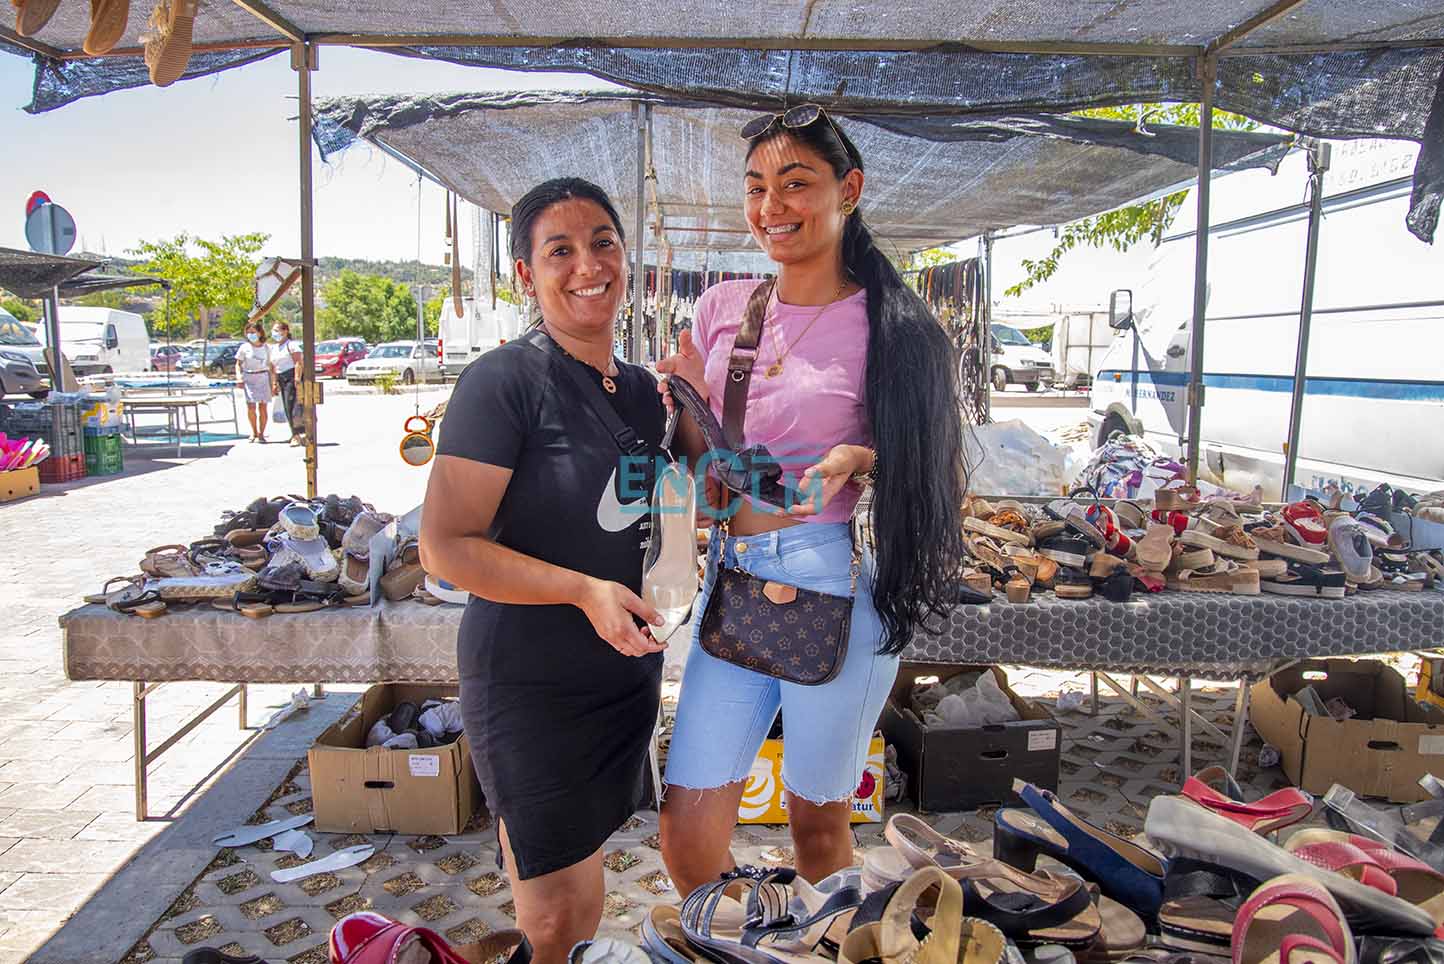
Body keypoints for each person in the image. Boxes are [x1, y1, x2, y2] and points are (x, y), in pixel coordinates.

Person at [656, 106, 967, 895]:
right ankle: (744, 941)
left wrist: (864, 456)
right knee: (687, 832)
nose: (772, 208)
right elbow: (705, 469)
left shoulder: (897, 327)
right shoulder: (724, 308)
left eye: (796, 185)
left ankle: (825, 943)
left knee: (818, 828)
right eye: (757, 188)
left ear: (848, 189)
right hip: (735, 579)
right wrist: (684, 399)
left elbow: (937, 475)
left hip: (836, 578)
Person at [419, 178, 667, 964]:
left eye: (602, 242)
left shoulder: (642, 393)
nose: (587, 264)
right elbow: (445, 546)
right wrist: (580, 589)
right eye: (559, 250)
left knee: (585, 896)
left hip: (622, 675)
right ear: (525, 275)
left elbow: (673, 506)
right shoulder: (503, 383)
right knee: (553, 916)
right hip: (531, 681)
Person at [235, 319, 275, 443]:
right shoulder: (244, 347)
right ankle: (254, 431)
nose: (250, 335)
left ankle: (262, 433)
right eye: (248, 332)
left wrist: (273, 383)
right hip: (249, 378)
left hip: (263, 377)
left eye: (253, 332)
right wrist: (239, 376)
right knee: (251, 407)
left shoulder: (267, 348)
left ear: (260, 333)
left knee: (262, 407)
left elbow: (272, 366)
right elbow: (238, 364)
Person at [270, 320, 306, 446]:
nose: (274, 333)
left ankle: (298, 434)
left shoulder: (291, 345)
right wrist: (274, 383)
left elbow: (298, 362)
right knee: (286, 407)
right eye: (273, 330)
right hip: (281, 378)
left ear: (285, 331)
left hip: (291, 377)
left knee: (293, 407)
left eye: (277, 330)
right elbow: (273, 367)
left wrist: (297, 378)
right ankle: (294, 433)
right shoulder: (274, 348)